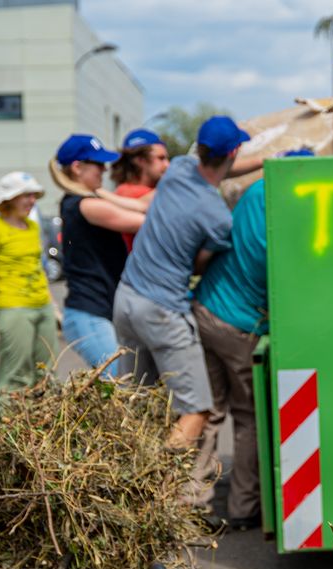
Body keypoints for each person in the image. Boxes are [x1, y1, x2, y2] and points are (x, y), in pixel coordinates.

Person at [113, 116, 255, 513]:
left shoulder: (176, 169)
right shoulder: (218, 218)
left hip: (125, 299)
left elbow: (223, 164)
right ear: (233, 152)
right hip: (162, 311)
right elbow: (198, 265)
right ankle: (150, 494)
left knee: (142, 404)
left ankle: (118, 483)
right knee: (196, 410)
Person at [192, 149, 314, 530]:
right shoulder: (289, 202)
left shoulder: (254, 191)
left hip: (206, 308)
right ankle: (244, 507)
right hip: (240, 324)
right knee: (247, 417)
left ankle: (193, 503)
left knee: (208, 413)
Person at [55, 134, 150, 377]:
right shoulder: (84, 205)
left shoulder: (87, 200)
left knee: (124, 385)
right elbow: (143, 220)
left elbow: (142, 205)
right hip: (89, 315)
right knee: (120, 384)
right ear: (77, 167)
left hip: (98, 311)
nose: (104, 169)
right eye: (97, 164)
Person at [0, 172, 59, 391]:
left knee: (48, 375)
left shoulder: (32, 227)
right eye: (26, 196)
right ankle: (7, 424)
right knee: (16, 377)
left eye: (34, 196)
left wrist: (53, 306)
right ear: (9, 198)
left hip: (42, 306)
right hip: (14, 309)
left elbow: (37, 268)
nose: (32, 201)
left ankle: (45, 424)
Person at [111, 129, 171, 252]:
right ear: (140, 160)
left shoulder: (148, 191)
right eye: (161, 158)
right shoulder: (127, 193)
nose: (167, 165)